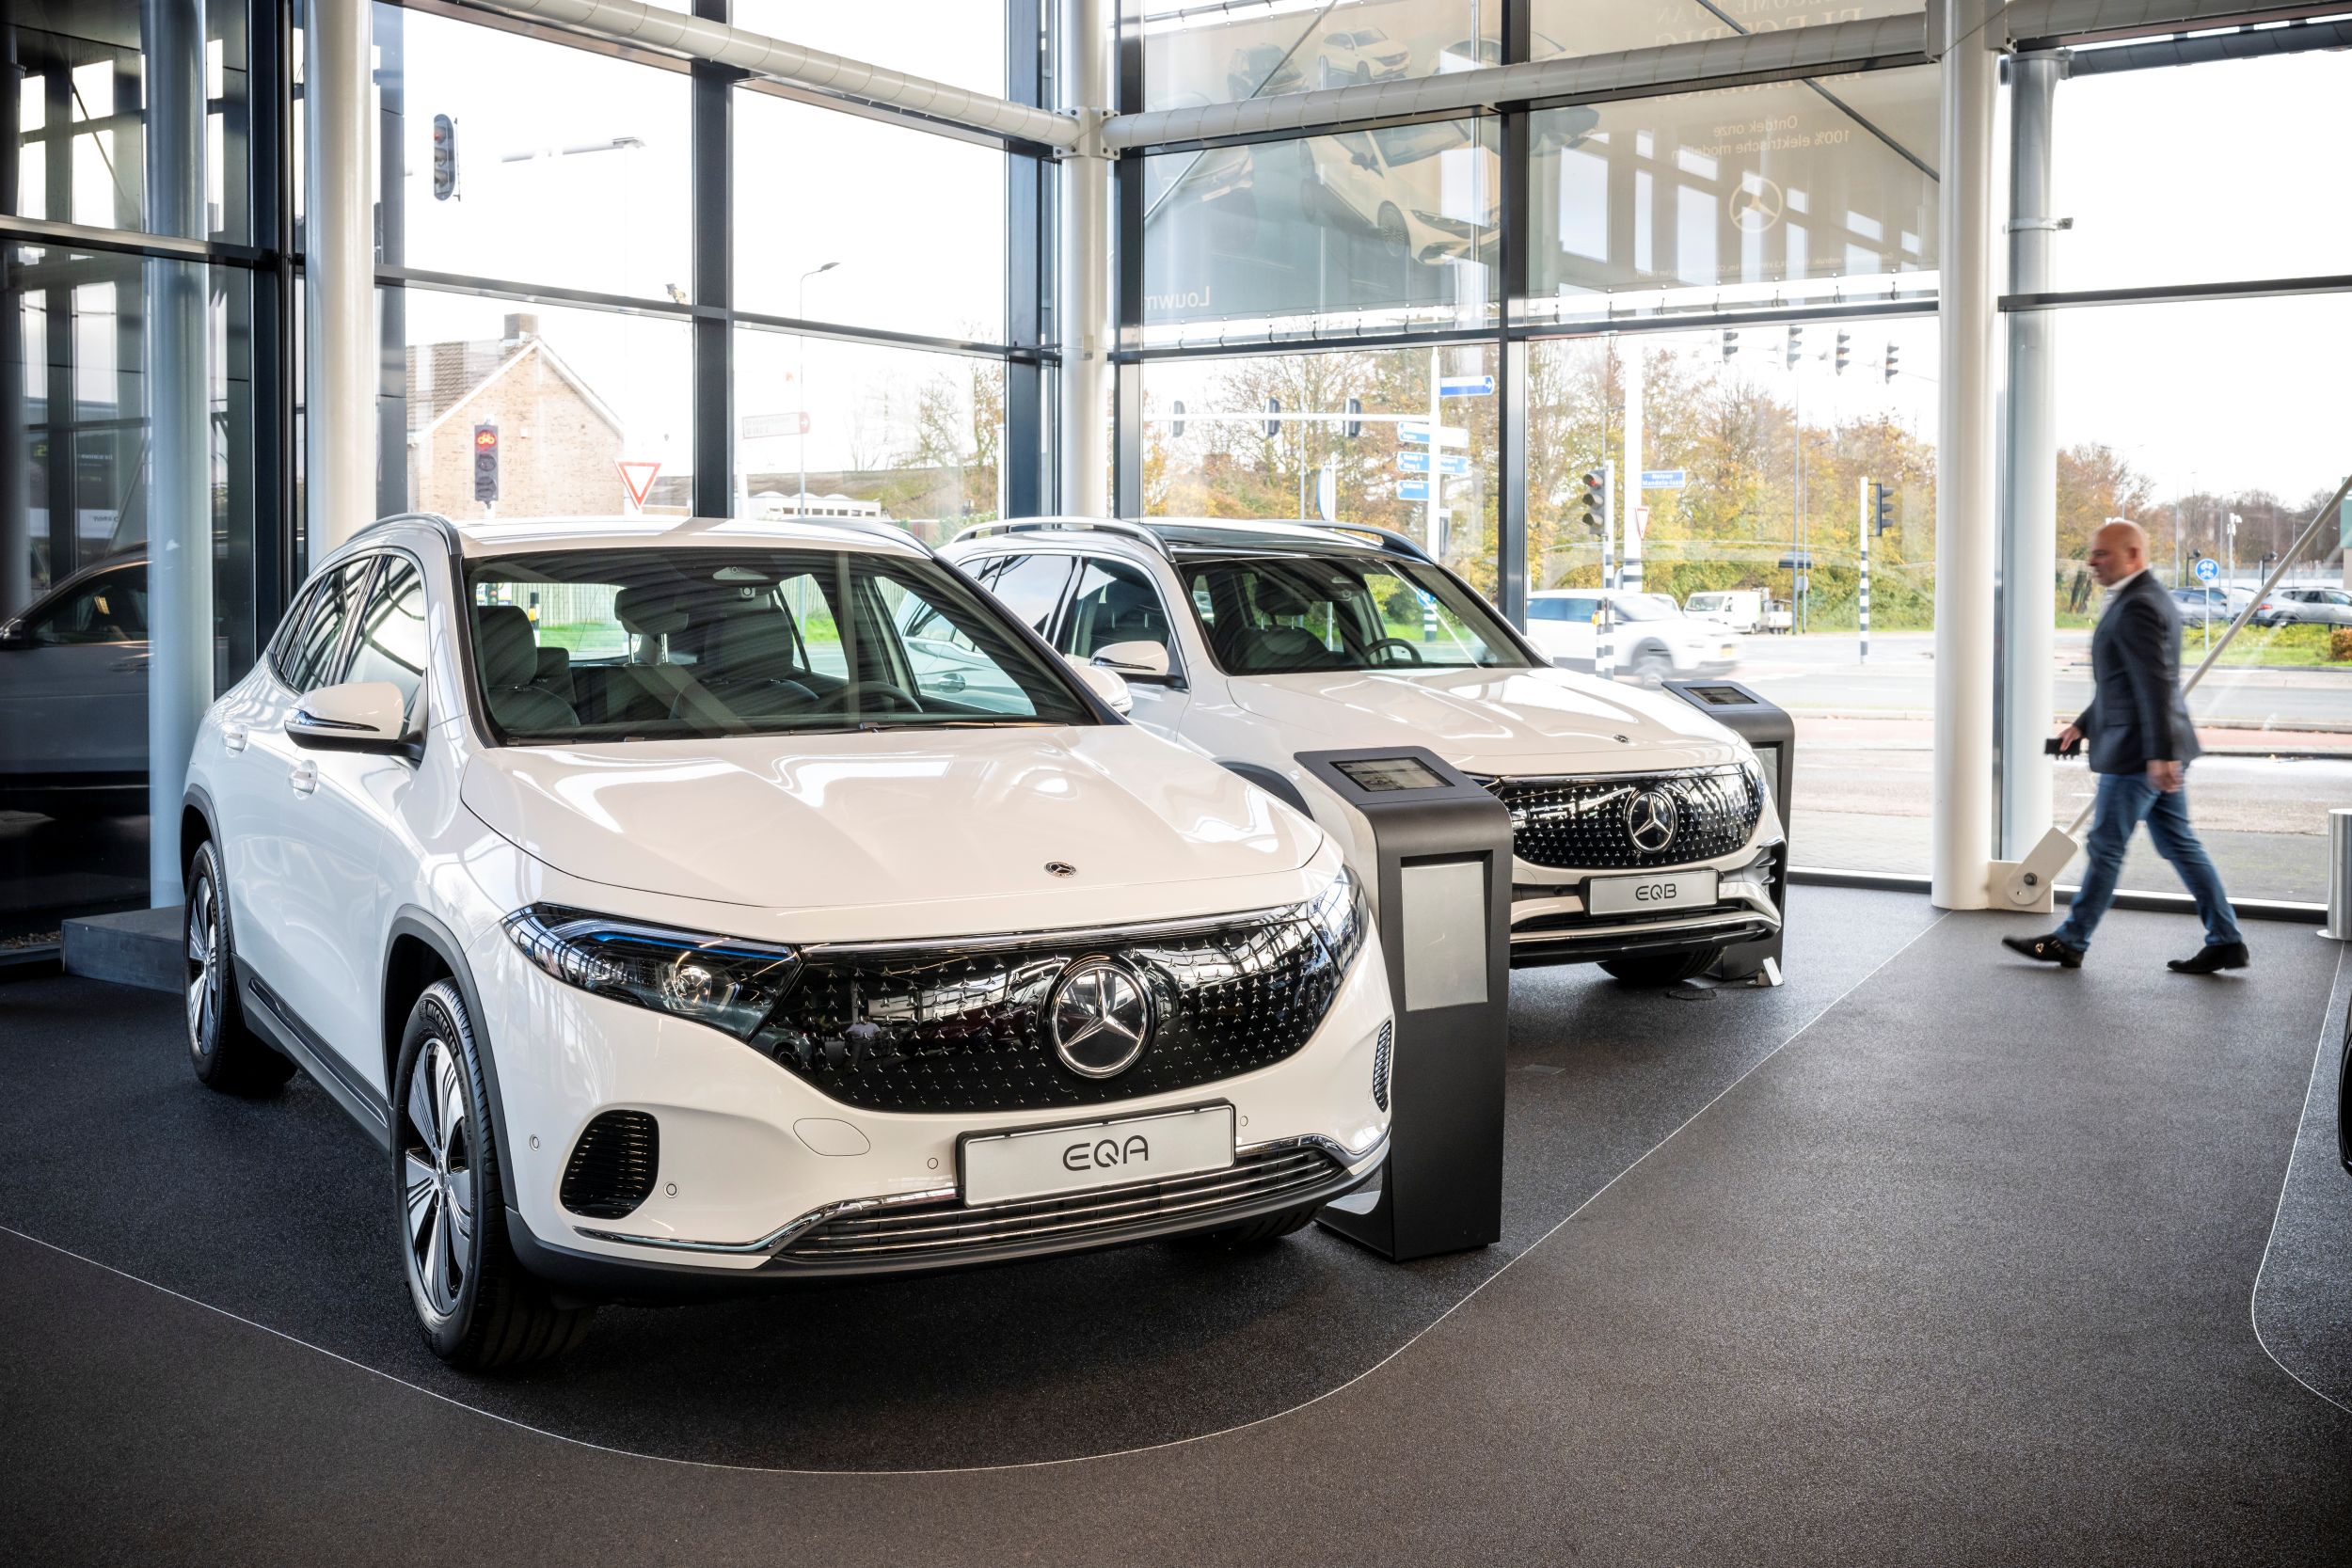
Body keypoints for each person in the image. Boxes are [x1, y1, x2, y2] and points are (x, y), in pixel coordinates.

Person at [2002, 519, 2248, 974]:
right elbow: (2124, 681)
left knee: (2106, 845)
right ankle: (2226, 939)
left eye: (2102, 553)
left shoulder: (2139, 605)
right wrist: (2082, 725)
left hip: (2139, 754)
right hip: (2149, 747)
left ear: (2133, 555)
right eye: (2093, 552)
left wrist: (2160, 754)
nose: (2092, 561)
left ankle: (2071, 940)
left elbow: (2155, 686)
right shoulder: (2142, 597)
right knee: (2179, 843)